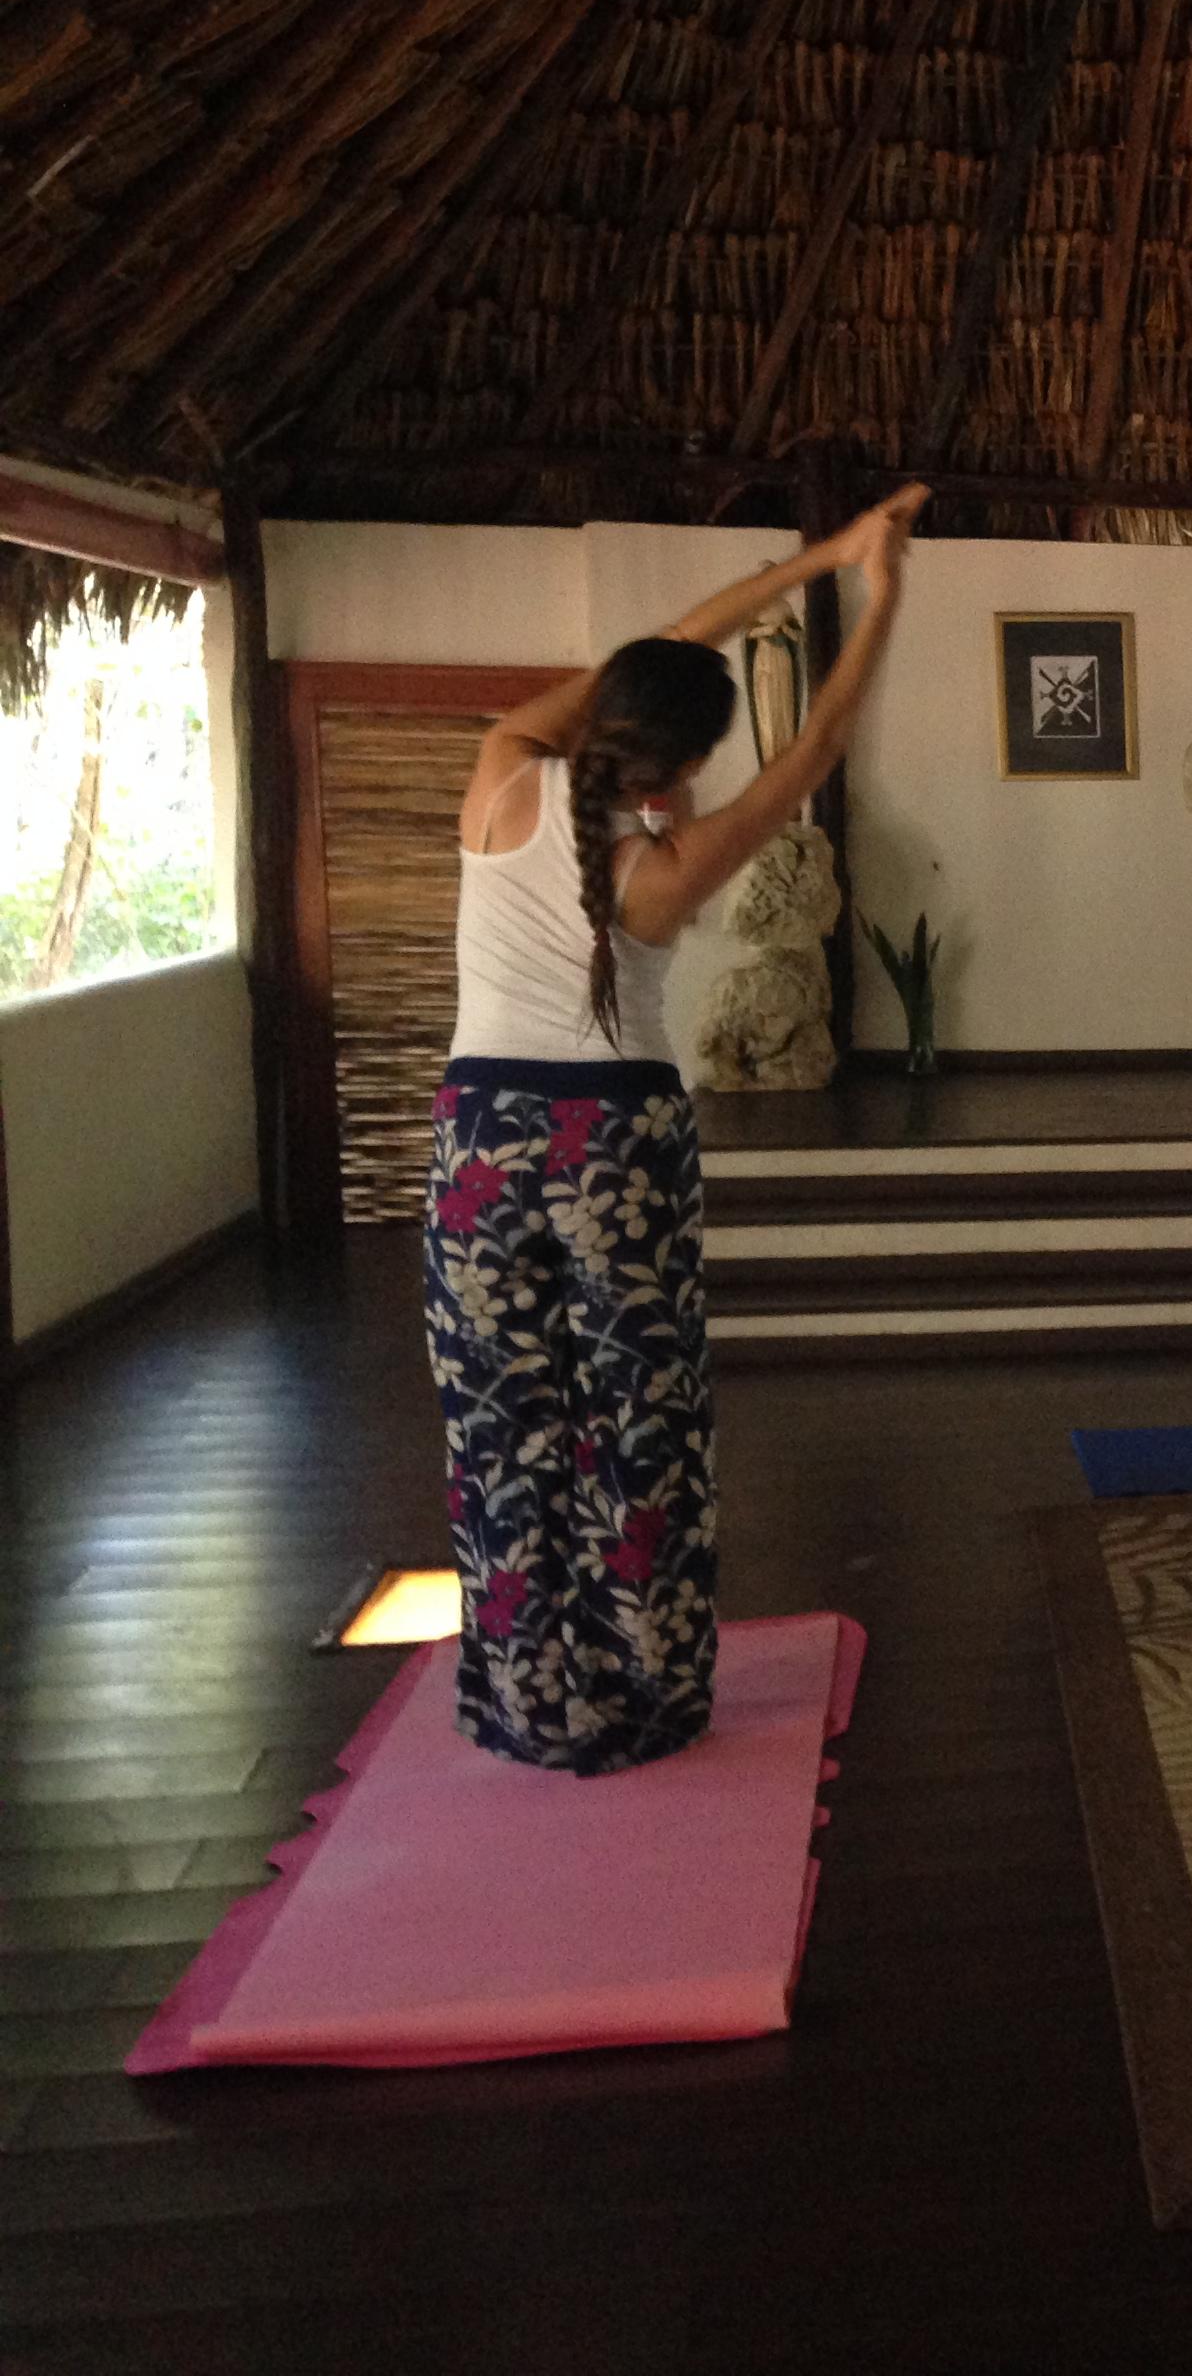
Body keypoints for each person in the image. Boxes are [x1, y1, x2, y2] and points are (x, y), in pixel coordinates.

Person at [426, 485, 925, 1771]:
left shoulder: (501, 768)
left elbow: (668, 650)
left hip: (480, 1139)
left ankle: (529, 1702)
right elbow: (813, 753)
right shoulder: (665, 866)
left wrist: (820, 554)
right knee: (635, 1422)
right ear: (690, 763)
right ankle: (642, 1700)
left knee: (505, 1420)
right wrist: (880, 594)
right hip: (613, 1149)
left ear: (610, 717)